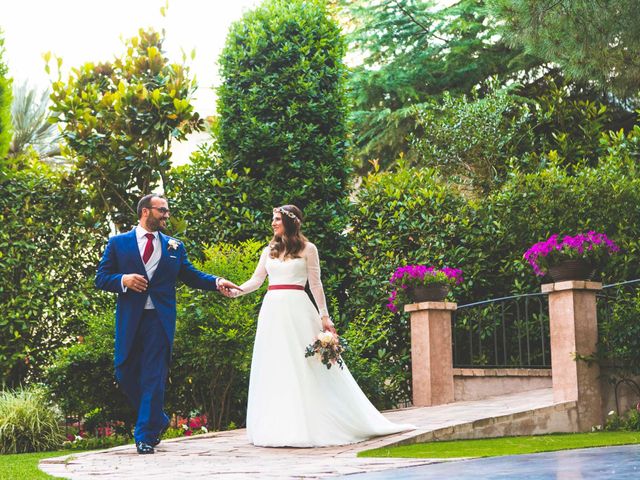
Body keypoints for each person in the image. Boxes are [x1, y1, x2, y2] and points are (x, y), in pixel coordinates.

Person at [232, 205, 414, 447]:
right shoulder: (269, 250)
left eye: (277, 219)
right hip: (273, 310)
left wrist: (324, 316)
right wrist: (236, 291)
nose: (273, 223)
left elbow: (316, 285)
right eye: (272, 219)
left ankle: (313, 422)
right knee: (276, 364)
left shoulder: (309, 249)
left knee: (305, 365)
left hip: (298, 308)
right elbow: (257, 280)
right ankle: (278, 424)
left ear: (290, 222)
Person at [95, 194, 241, 454]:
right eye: (162, 210)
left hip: (159, 320)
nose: (166, 215)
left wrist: (216, 282)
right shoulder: (118, 243)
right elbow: (101, 278)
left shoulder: (175, 246)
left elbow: (191, 275)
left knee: (154, 376)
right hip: (131, 319)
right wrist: (124, 280)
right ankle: (158, 419)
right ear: (145, 212)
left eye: (167, 211)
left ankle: (144, 436)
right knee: (124, 371)